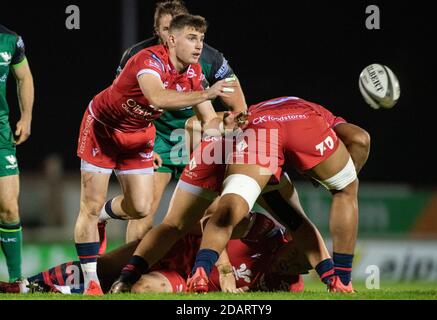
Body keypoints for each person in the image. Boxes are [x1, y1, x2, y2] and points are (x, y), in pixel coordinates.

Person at [74, 13, 241, 295]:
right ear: (172, 40)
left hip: (138, 134)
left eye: (201, 38)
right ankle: (91, 281)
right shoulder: (147, 60)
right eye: (191, 38)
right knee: (89, 204)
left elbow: (209, 123)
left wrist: (226, 125)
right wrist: (206, 94)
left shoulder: (194, 74)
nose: (199, 45)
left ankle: (103, 215)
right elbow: (157, 98)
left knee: (139, 208)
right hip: (103, 128)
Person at [187, 96, 360, 293]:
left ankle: (200, 271)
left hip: (260, 126)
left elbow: (193, 125)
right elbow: (360, 139)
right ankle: (343, 282)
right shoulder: (323, 114)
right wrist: (346, 177)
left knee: (230, 209)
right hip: (304, 122)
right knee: (344, 191)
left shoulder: (248, 114)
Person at [115, 0, 247, 243]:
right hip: (156, 137)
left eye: (177, 31)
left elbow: (238, 108)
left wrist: (226, 136)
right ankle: (130, 272)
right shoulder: (138, 56)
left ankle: (213, 269)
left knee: (209, 209)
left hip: (194, 134)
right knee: (144, 209)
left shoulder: (210, 59)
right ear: (157, 31)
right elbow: (121, 102)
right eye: (165, 30)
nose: (170, 39)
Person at [0, 212, 309, 294]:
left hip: (184, 278)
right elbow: (211, 220)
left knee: (144, 288)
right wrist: (223, 264)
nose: (290, 264)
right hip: (178, 243)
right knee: (106, 267)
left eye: (298, 267)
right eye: (294, 255)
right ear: (291, 241)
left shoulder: (290, 285)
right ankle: (28, 285)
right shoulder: (266, 231)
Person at [0, 25, 34, 282]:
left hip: (1, 134)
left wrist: (27, 117)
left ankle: (16, 282)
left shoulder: (11, 39)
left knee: (9, 207)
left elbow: (24, 77)